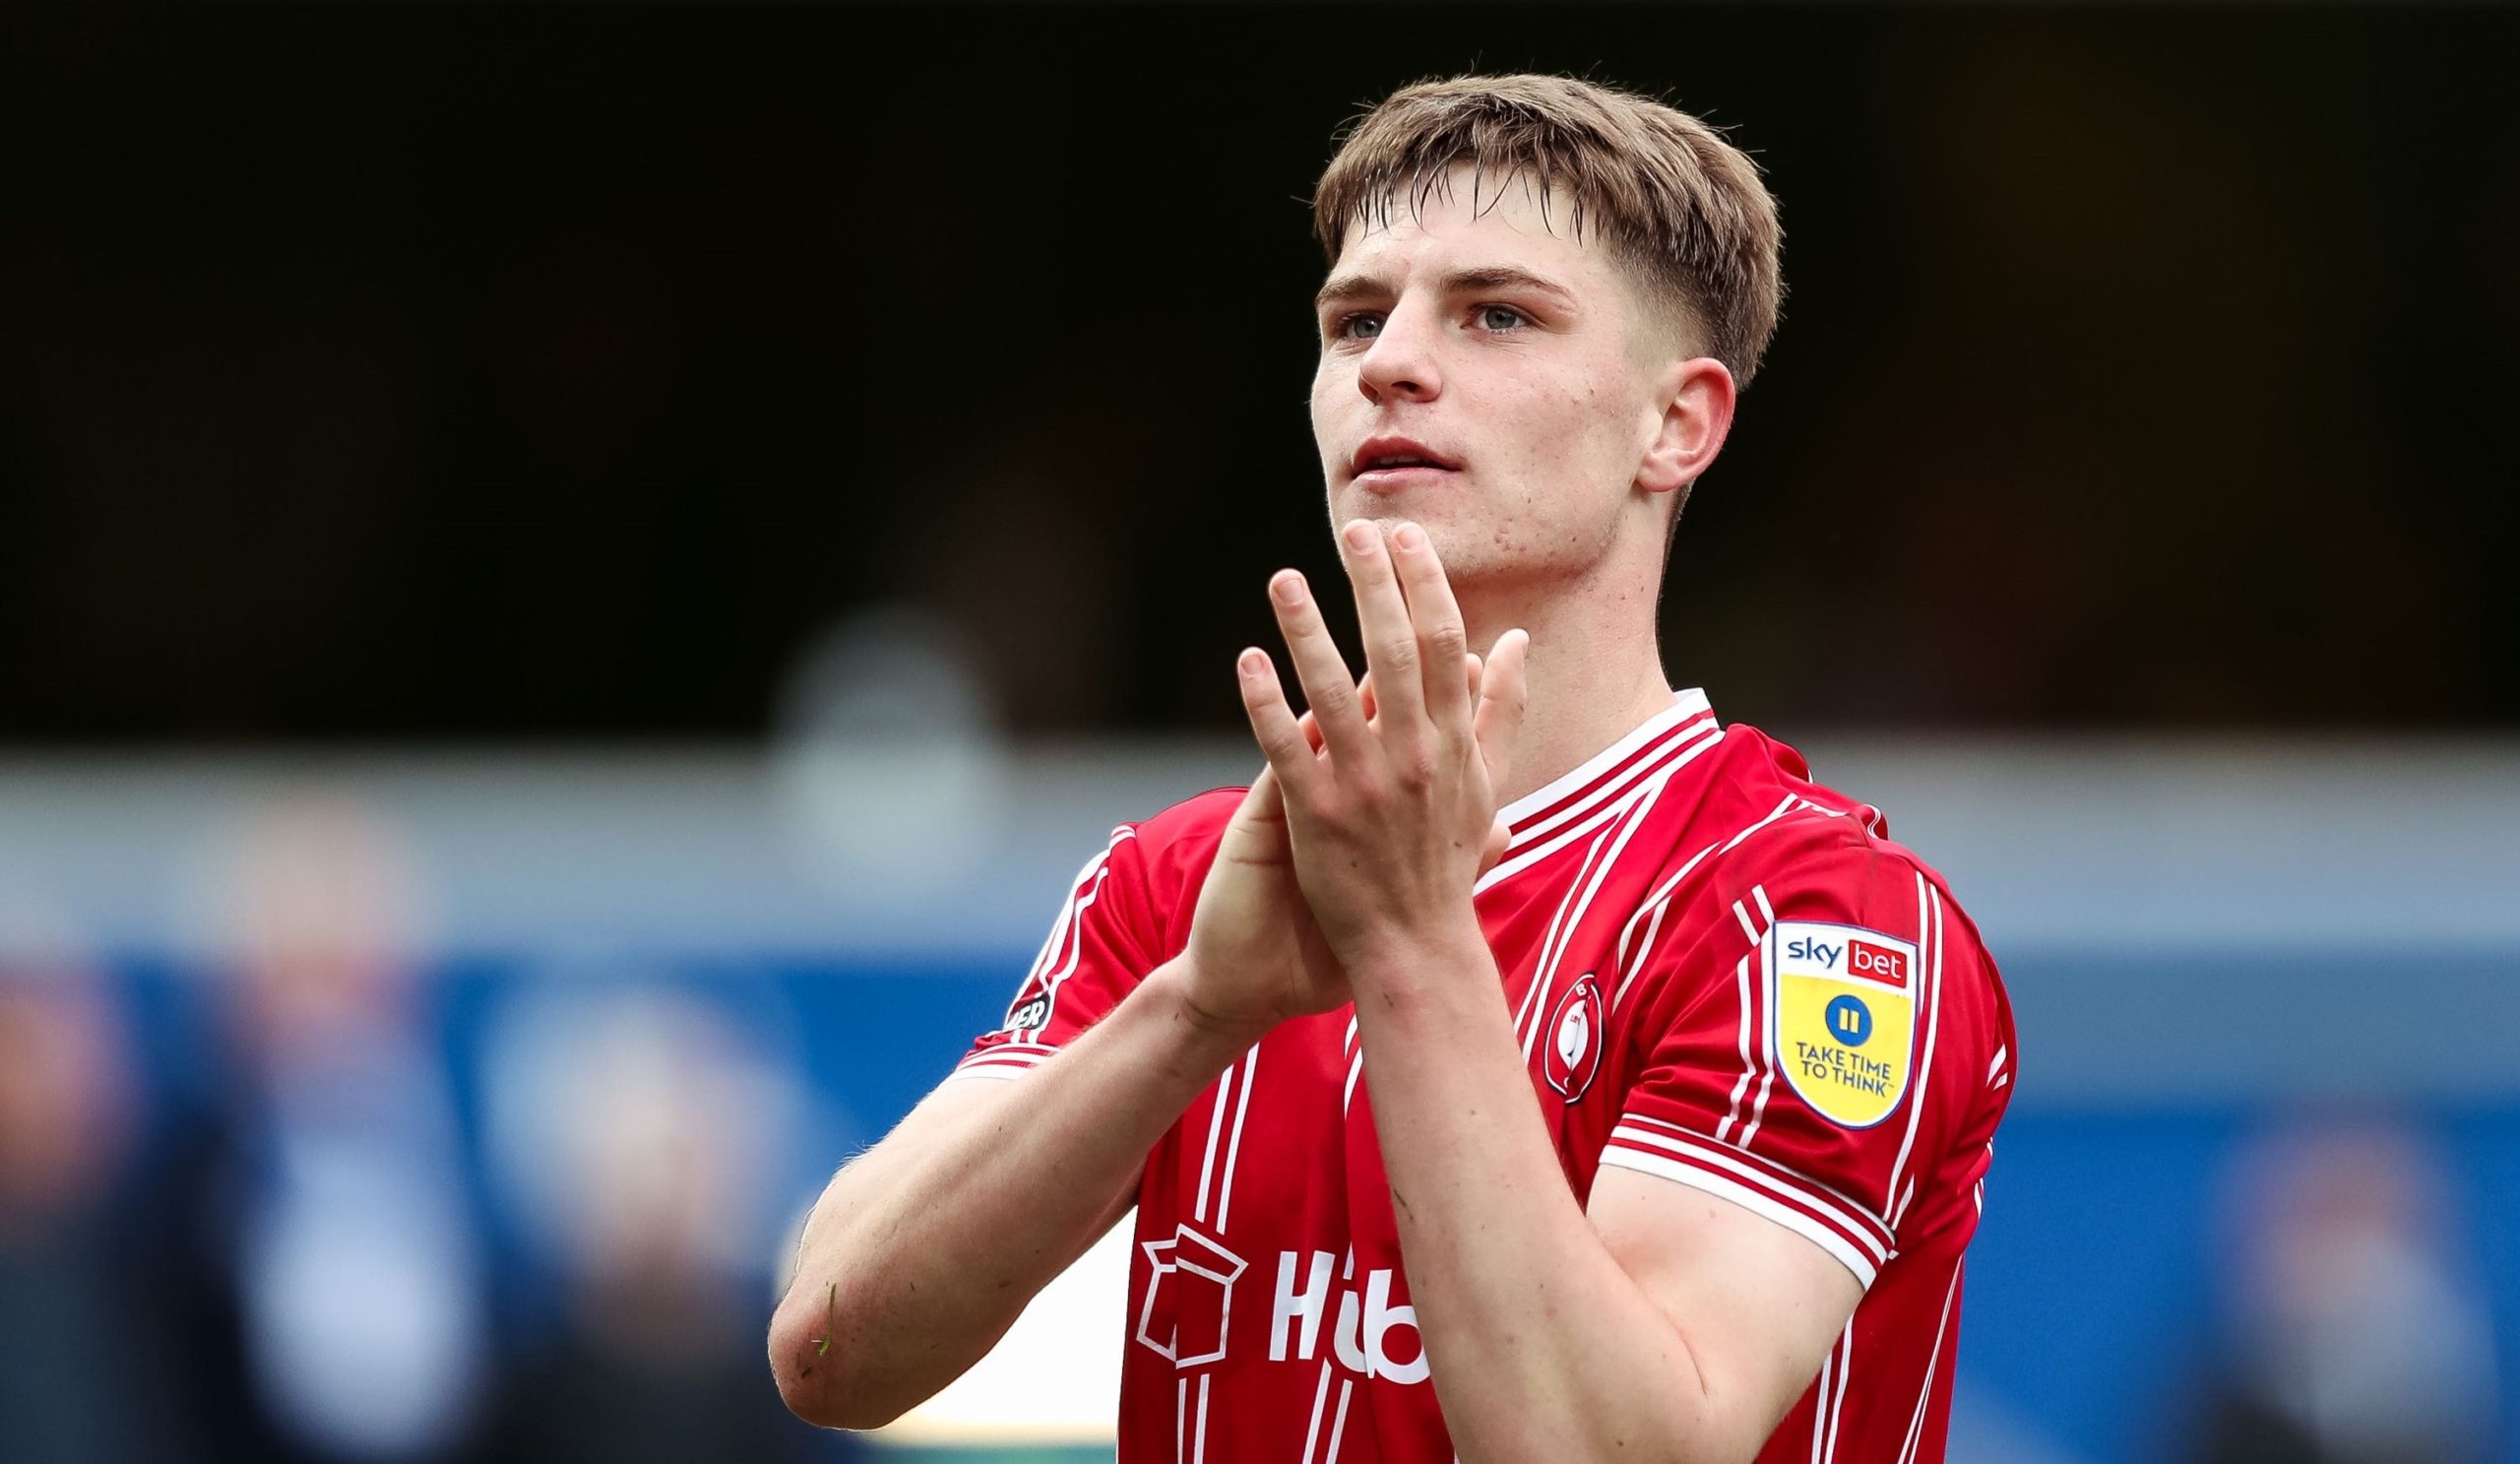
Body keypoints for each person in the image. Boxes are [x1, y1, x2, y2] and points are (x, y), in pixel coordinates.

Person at [772, 73, 2017, 1464]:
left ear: (1677, 425)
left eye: (1497, 314)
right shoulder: (1182, 885)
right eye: (1355, 320)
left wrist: (1411, 940)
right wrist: (1194, 1009)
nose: (1389, 365)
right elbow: (829, 1350)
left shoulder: (1820, 924)